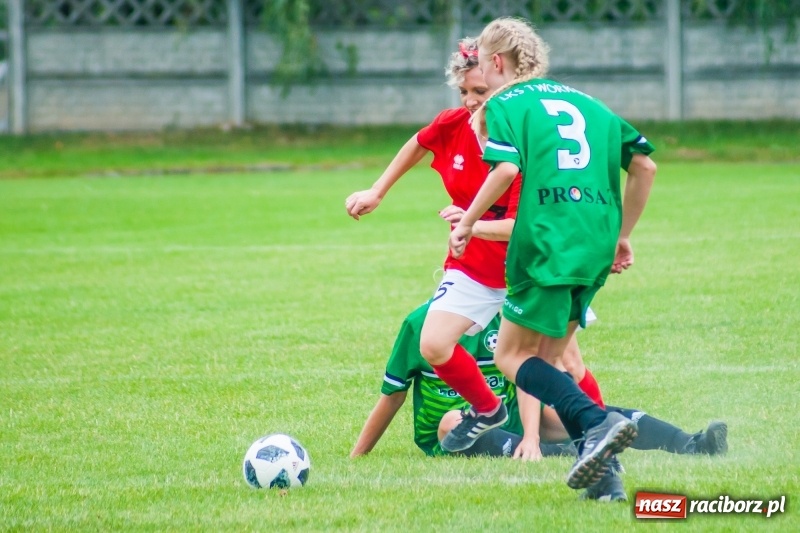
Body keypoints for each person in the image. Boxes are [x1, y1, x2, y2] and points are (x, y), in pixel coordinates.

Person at [447, 17, 658, 493]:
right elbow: (645, 165)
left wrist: (466, 222)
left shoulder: (504, 103)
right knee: (551, 361)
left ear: (495, 63)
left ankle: (596, 423)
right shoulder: (587, 101)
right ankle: (607, 483)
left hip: (547, 238)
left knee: (511, 355)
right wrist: (622, 235)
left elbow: (503, 169)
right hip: (596, 242)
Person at [345, 38, 524, 451]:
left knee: (561, 369)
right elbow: (417, 144)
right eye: (464, 91)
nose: (470, 101)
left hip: (523, 267)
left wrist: (471, 223)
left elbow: (524, 226)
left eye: (480, 91)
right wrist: (377, 191)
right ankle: (489, 409)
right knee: (433, 343)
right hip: (471, 263)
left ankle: (605, 433)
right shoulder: (454, 124)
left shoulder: (522, 134)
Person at [351, 302, 728, 465]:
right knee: (451, 419)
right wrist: (358, 457)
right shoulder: (422, 324)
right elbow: (393, 396)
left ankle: (691, 444)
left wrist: (532, 434)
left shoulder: (510, 320)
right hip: (452, 433)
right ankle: (562, 456)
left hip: (510, 420)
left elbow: (526, 381)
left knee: (568, 413)